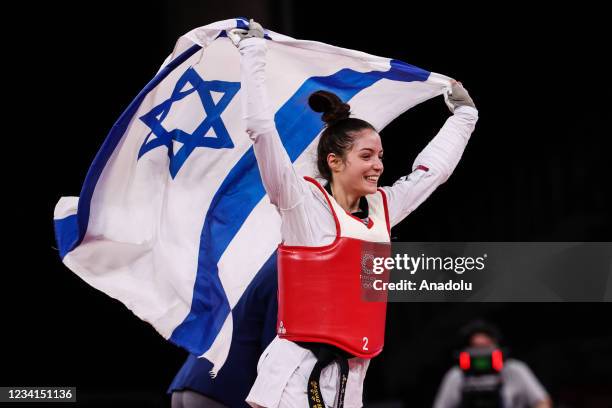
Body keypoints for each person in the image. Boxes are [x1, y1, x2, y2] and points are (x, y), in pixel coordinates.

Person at [229, 20, 479, 408]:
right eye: (366, 156)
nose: (378, 165)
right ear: (334, 161)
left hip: (351, 378)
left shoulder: (383, 207)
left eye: (380, 155)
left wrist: (463, 117)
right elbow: (261, 130)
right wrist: (253, 53)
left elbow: (433, 173)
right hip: (295, 375)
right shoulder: (301, 204)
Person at [169, 252, 279, 408]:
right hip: (222, 393)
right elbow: (274, 350)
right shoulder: (283, 269)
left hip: (189, 382)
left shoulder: (257, 260)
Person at [433, 320, 552, 408]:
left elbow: (542, 401)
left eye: (485, 347)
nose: (481, 353)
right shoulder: (457, 375)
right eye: (476, 347)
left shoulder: (515, 370)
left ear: (496, 346)